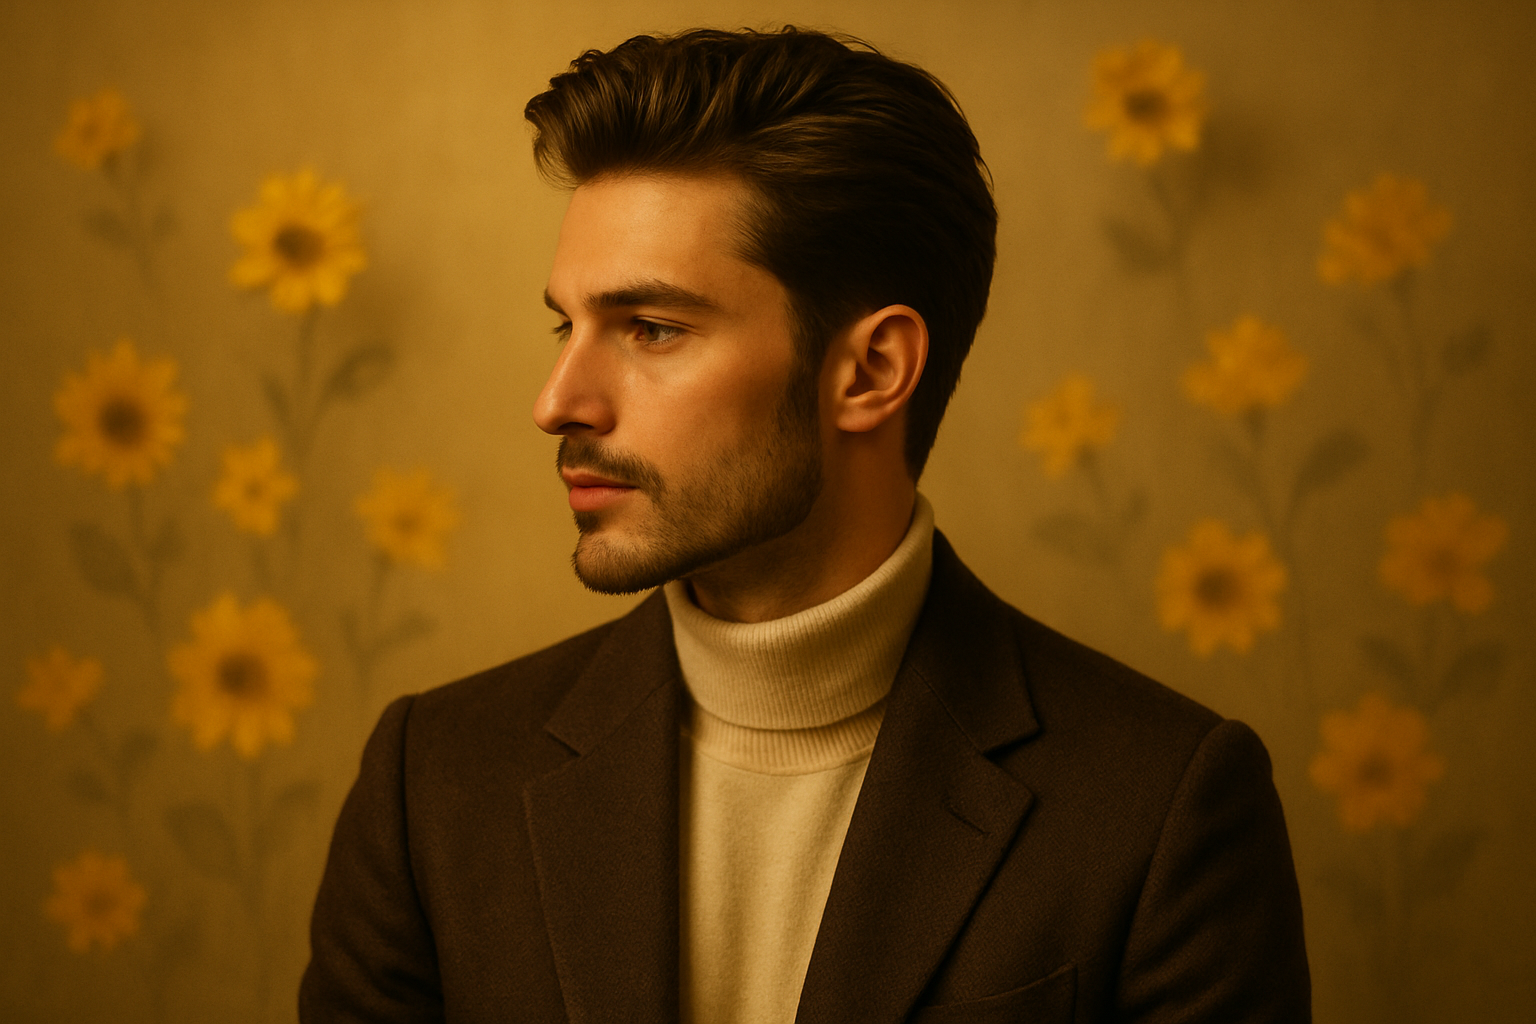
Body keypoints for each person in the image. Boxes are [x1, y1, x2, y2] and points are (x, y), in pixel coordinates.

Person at [300, 26, 1310, 1024]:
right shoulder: (433, 782)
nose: (559, 399)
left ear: (869, 372)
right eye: (570, 325)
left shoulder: (1165, 804)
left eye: (650, 329)